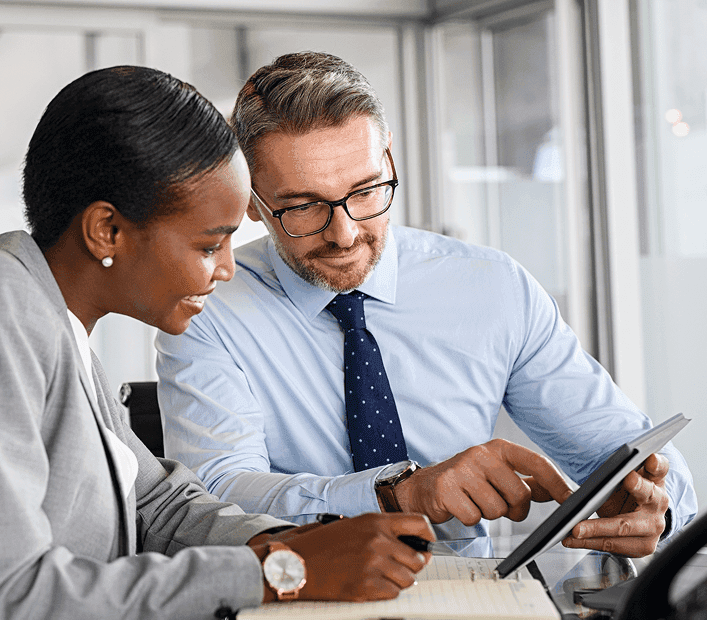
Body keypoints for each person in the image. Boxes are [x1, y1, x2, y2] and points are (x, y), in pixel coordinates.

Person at [0, 66, 438, 620]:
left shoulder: (58, 325)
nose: (225, 270)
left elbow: (158, 504)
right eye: (207, 244)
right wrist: (280, 572)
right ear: (107, 229)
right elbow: (4, 609)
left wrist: (295, 544)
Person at [156, 51, 697, 554]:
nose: (345, 234)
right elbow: (215, 501)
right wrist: (398, 495)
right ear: (251, 200)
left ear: (389, 157)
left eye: (366, 191)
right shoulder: (207, 306)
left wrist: (656, 505)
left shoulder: (491, 287)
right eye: (302, 207)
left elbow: (629, 448)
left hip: (483, 613)